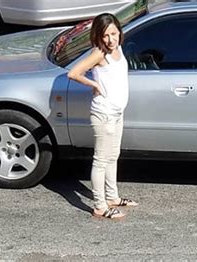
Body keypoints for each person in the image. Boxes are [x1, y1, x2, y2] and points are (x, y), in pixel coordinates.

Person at [68, 13, 138, 220]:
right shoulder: (99, 54)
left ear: (119, 32)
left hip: (117, 113)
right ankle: (100, 206)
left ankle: (112, 197)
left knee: (113, 156)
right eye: (105, 36)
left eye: (114, 34)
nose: (110, 40)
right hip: (103, 114)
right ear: (98, 36)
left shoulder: (118, 49)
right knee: (100, 160)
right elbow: (74, 73)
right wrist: (95, 84)